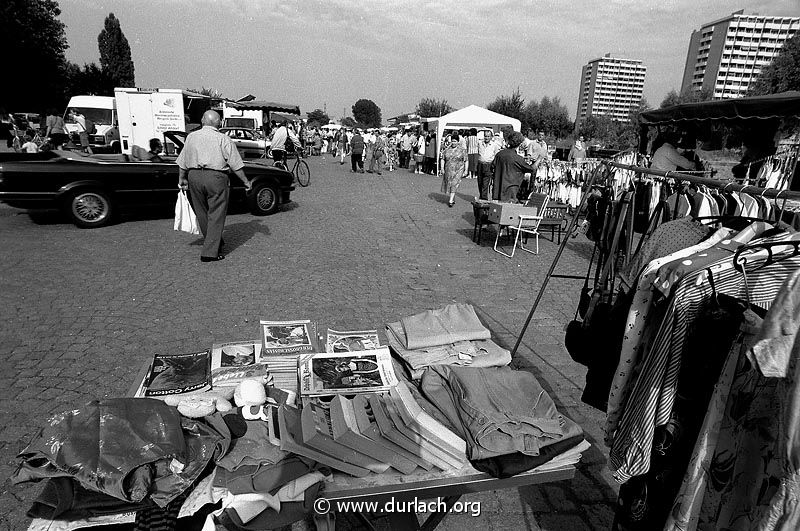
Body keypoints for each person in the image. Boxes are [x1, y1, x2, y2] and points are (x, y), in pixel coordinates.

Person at [176, 110, 252, 262]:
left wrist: (182, 178)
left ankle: (214, 239)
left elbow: (182, 161)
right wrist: (246, 181)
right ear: (219, 123)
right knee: (216, 213)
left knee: (201, 211)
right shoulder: (223, 138)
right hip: (216, 177)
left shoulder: (191, 137)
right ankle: (209, 253)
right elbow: (235, 164)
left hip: (194, 176)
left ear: (203, 121)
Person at [492, 132, 537, 202]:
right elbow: (531, 169)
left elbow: (492, 167)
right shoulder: (518, 158)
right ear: (520, 143)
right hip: (510, 192)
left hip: (497, 190)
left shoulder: (499, 154)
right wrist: (540, 158)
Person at [441, 133, 467, 207]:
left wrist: (466, 170)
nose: (453, 143)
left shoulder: (462, 150)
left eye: (455, 141)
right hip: (448, 169)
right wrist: (442, 168)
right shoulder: (447, 149)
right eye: (452, 141)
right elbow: (442, 159)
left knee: (454, 183)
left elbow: (466, 160)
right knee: (450, 184)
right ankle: (453, 197)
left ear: (458, 141)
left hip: (459, 169)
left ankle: (451, 200)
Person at [477, 130, 501, 200]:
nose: (486, 138)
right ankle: (482, 196)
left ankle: (483, 198)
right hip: (480, 164)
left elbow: (497, 156)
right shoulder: (480, 143)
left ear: (491, 137)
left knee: (485, 183)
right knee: (480, 182)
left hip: (488, 165)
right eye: (485, 136)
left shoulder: (494, 145)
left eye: (488, 136)